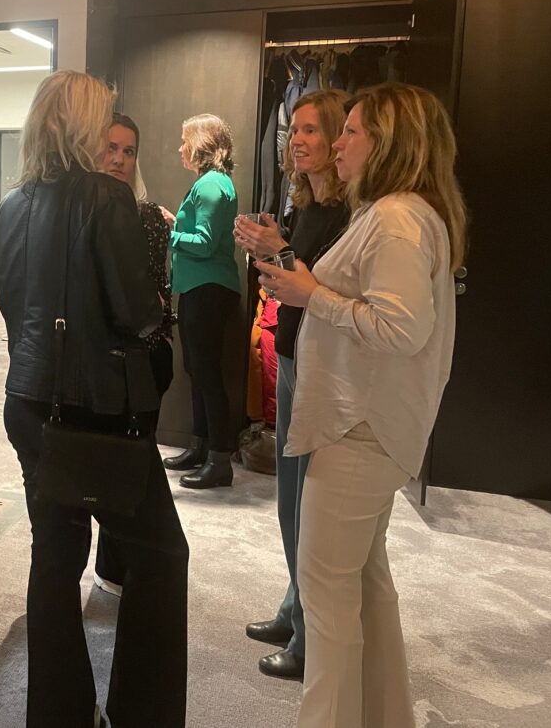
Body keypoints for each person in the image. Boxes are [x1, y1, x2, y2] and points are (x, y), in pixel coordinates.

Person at [256, 83, 466, 728]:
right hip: (366, 423)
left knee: (327, 598)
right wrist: (304, 284)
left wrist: (311, 295)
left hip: (360, 427)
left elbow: (402, 328)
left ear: (387, 142)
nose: (337, 142)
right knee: (366, 587)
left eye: (350, 131)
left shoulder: (397, 217)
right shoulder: (398, 213)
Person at [0, 72, 188, 728]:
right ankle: (141, 714)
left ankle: (59, 715)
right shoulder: (107, 197)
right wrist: (158, 321)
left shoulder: (11, 206)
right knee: (161, 554)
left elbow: (15, 309)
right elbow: (135, 312)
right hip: (96, 409)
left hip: (30, 402)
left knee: (54, 556)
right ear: (82, 125)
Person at [234, 90, 351, 682]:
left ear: (337, 138)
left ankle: (308, 634)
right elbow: (293, 281)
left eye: (311, 130)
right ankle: (293, 606)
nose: (297, 140)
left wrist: (278, 250)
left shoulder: (351, 214)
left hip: (320, 365)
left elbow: (325, 290)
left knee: (308, 502)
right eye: (294, 130)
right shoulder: (305, 204)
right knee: (289, 497)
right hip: (291, 354)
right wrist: (271, 253)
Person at [92, 112, 177, 599]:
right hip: (99, 360)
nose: (120, 159)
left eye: (129, 151)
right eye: (111, 148)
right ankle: (110, 564)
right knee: (104, 464)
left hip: (144, 355)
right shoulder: (79, 210)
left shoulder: (148, 217)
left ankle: (121, 565)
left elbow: (157, 288)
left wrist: (162, 333)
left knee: (135, 461)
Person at [165, 113, 241, 489]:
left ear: (200, 144)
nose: (180, 148)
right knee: (198, 370)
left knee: (206, 373)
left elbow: (205, 243)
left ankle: (219, 459)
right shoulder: (211, 182)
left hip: (207, 288)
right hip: (202, 288)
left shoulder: (210, 184)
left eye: (185, 141)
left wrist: (168, 232)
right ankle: (201, 448)